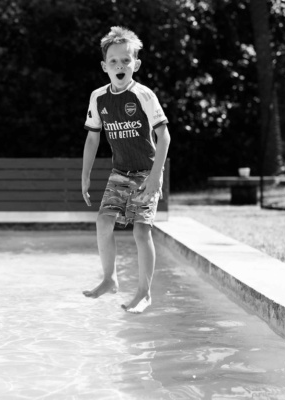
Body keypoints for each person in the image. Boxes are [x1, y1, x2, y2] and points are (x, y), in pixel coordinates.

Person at [80, 26, 171, 314]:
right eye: (114, 62)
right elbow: (93, 137)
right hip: (120, 172)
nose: (120, 66)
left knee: (141, 231)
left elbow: (164, 136)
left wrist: (156, 177)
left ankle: (144, 293)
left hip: (146, 171)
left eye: (126, 61)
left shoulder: (143, 95)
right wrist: (85, 175)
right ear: (104, 66)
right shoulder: (98, 98)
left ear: (136, 64)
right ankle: (109, 279)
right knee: (102, 223)